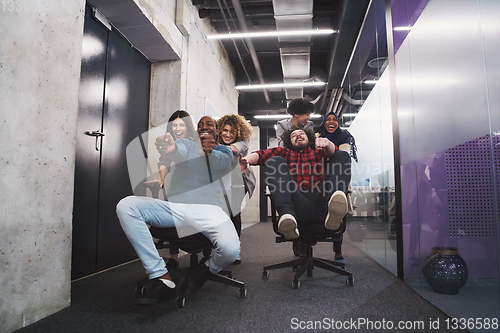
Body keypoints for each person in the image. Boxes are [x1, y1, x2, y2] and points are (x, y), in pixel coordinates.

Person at [116, 115, 240, 304]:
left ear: (217, 130)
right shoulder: (186, 144)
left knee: (231, 250)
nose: (204, 127)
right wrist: (170, 147)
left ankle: (207, 268)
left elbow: (221, 164)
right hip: (175, 208)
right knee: (127, 205)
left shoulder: (224, 150)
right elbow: (177, 150)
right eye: (200, 125)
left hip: (209, 210)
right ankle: (161, 276)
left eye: (209, 125)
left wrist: (209, 152)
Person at [240, 128, 350, 240]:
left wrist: (327, 143)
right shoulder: (284, 152)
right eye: (293, 136)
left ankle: (335, 206)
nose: (298, 136)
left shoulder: (320, 151)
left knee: (342, 155)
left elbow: (334, 152)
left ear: (309, 138)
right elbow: (261, 155)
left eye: (302, 133)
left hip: (323, 206)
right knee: (275, 160)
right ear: (289, 142)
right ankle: (287, 216)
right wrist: (246, 160)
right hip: (297, 207)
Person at [151, 110, 196, 271]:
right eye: (174, 125)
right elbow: (165, 160)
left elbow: (182, 152)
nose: (178, 128)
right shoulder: (170, 145)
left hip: (196, 192)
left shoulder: (195, 142)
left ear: (187, 126)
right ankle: (174, 259)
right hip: (177, 190)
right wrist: (161, 177)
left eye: (181, 124)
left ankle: (196, 257)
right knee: (169, 206)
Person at [316, 111, 358, 263]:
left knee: (337, 212)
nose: (331, 121)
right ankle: (306, 248)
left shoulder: (344, 137)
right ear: (324, 122)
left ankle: (338, 249)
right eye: (328, 119)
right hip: (319, 179)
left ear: (338, 122)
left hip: (338, 179)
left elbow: (343, 155)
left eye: (335, 119)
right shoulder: (316, 136)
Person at [216, 114, 255, 265]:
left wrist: (212, 148)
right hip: (220, 183)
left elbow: (232, 149)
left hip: (239, 182)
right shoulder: (217, 143)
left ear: (238, 133)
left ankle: (235, 249)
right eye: (225, 130)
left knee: (233, 214)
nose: (228, 134)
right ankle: (221, 247)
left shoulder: (242, 143)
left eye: (232, 132)